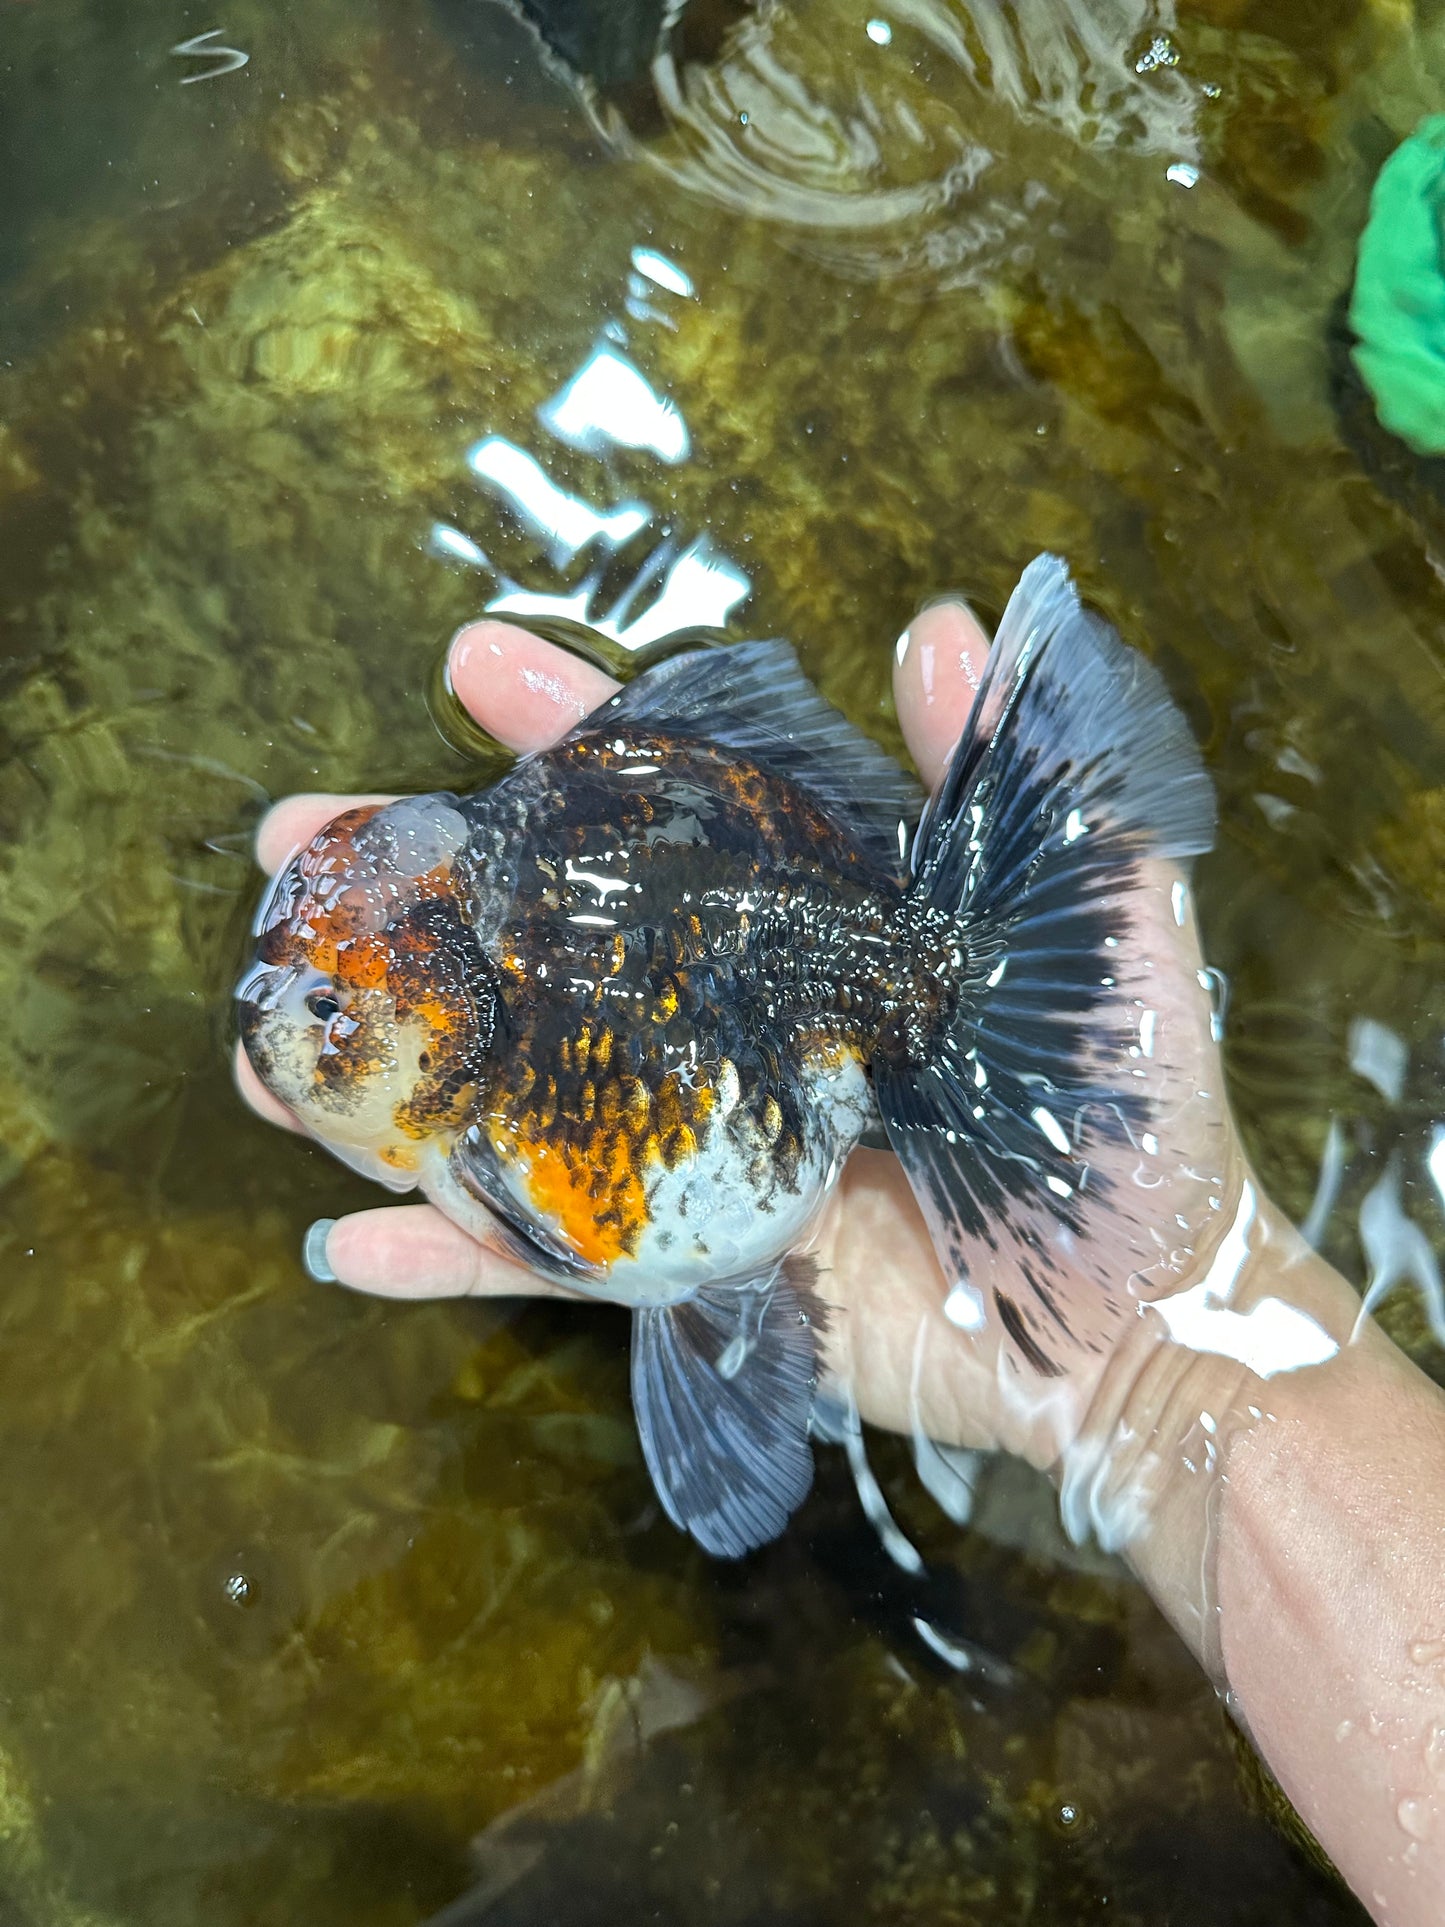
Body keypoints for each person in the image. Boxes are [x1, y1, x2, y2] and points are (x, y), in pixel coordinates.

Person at [236, 600, 1445, 1924]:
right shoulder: (475, 1036)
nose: (280, 1012)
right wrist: (1159, 1375)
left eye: (329, 1008)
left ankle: (975, 983)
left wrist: (1161, 1349)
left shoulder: (495, 1121)